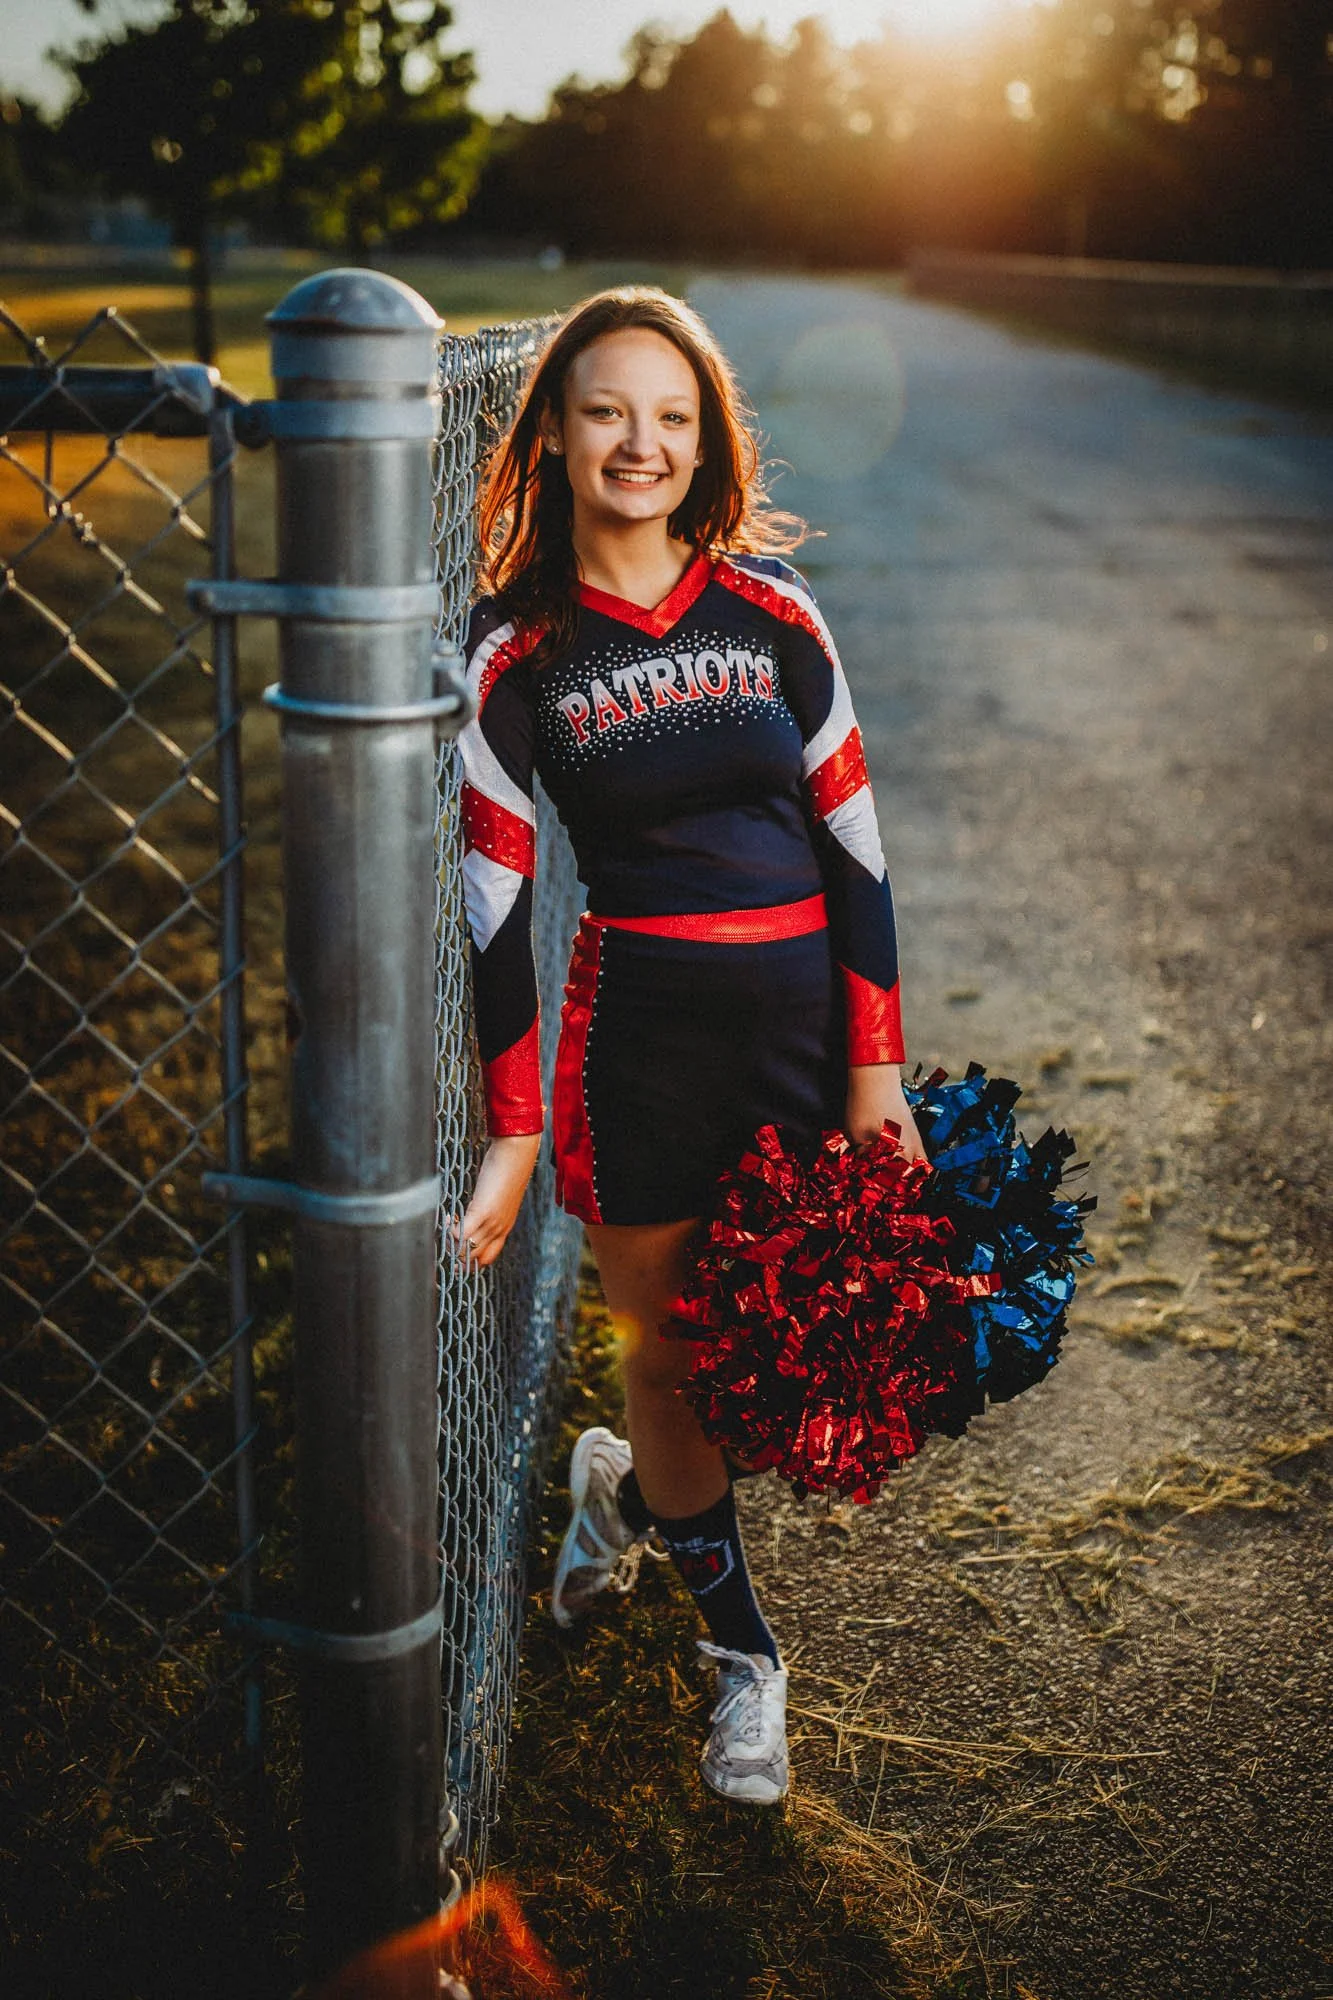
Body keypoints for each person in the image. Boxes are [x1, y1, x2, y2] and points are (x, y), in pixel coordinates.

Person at [456, 287, 925, 1806]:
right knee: (669, 1361)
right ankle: (745, 1663)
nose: (640, 442)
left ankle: (617, 1498)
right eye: (605, 410)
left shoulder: (773, 611)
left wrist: (877, 1070)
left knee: (773, 1365)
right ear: (556, 437)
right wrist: (516, 1133)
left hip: (799, 1033)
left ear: (708, 439)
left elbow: (857, 853)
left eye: (672, 415)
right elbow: (493, 895)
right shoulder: (517, 652)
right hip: (638, 1038)